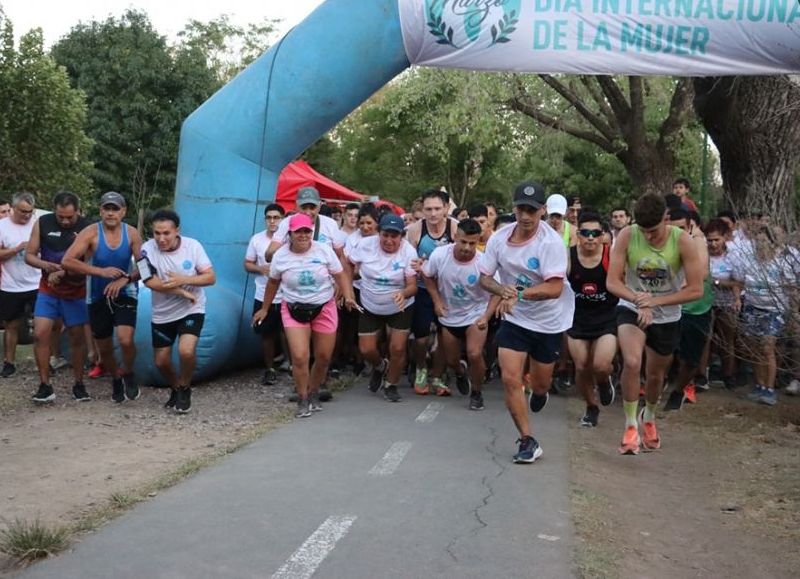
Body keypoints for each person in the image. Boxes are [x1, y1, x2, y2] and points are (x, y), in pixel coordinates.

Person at [479, 181, 575, 464]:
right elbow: (485, 278)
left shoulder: (551, 243)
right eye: (521, 208)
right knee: (510, 378)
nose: (525, 216)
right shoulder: (499, 238)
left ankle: (540, 390)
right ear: (514, 207)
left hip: (548, 322)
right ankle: (527, 440)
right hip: (516, 320)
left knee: (541, 384)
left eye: (532, 210)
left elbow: (554, 288)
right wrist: (502, 291)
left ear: (543, 211)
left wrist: (518, 294)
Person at [607, 193, 704, 455]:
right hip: (631, 305)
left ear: (666, 218)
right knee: (632, 361)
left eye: (653, 230)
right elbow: (612, 282)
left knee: (655, 375)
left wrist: (656, 302)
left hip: (667, 314)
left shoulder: (682, 241)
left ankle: (648, 416)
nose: (648, 236)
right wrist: (639, 300)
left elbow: (696, 290)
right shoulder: (628, 235)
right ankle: (629, 426)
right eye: (644, 230)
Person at [254, 213, 357, 417]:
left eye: (307, 231)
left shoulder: (324, 251)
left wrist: (347, 295)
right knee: (300, 357)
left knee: (323, 356)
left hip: (323, 307)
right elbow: (273, 283)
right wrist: (265, 308)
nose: (303, 235)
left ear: (312, 232)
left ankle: (314, 391)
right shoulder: (281, 256)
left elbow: (340, 274)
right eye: (298, 232)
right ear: (289, 234)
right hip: (293, 308)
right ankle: (302, 398)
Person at [62, 191, 142, 403]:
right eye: (106, 208)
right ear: (100, 211)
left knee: (125, 339)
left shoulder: (132, 233)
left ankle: (129, 372)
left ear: (123, 212)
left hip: (125, 291)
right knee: (104, 346)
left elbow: (146, 266)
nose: (110, 213)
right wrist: (101, 272)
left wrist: (125, 279)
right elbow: (67, 261)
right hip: (97, 293)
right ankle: (116, 378)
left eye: (115, 209)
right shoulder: (90, 233)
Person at [139, 210, 216, 413]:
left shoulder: (193, 246)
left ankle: (185, 386)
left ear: (177, 231)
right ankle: (175, 386)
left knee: (186, 350)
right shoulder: (145, 249)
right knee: (161, 361)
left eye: (166, 233)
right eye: (157, 233)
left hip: (192, 308)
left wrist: (185, 280)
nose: (161, 238)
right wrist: (179, 291)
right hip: (162, 313)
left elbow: (210, 277)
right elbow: (149, 281)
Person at [422, 218, 498, 410]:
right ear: (455, 236)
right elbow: (427, 275)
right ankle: (460, 372)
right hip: (449, 315)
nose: (467, 247)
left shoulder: (484, 262)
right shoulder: (440, 255)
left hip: (476, 313)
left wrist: (486, 316)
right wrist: (437, 301)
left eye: (472, 243)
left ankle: (477, 393)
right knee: (451, 360)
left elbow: (498, 291)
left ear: (478, 241)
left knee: (474, 353)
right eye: (463, 242)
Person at [25, 192, 91, 403]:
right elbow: (29, 255)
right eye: (60, 216)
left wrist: (62, 271)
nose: (64, 221)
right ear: (54, 209)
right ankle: (45, 385)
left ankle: (79, 384)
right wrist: (46, 266)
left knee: (77, 337)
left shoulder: (87, 228)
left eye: (69, 217)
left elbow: (90, 264)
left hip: (76, 291)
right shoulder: (42, 223)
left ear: (78, 212)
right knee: (39, 333)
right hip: (48, 290)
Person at [349, 214, 418, 403]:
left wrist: (403, 294)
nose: (389, 240)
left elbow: (413, 285)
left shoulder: (409, 252)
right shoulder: (365, 245)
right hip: (370, 303)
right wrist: (346, 290)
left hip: (399, 306)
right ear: (378, 233)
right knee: (366, 350)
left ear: (402, 236)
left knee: (397, 348)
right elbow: (348, 264)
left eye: (394, 236)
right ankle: (380, 366)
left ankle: (391, 385)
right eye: (385, 235)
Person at [732, 226, 798, 406]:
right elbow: (738, 282)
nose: (761, 245)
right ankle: (760, 385)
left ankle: (770, 389)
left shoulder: (782, 262)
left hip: (774, 310)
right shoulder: (747, 261)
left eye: (764, 241)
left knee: (767, 346)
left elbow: (791, 288)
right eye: (757, 241)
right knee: (754, 349)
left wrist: (793, 311)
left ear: (772, 242)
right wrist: (738, 299)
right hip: (753, 308)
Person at [567, 210, 618, 427]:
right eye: (585, 232)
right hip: (576, 319)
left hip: (606, 318)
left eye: (595, 233)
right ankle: (591, 406)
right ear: (578, 234)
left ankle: (604, 382)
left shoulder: (611, 256)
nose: (590, 237)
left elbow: (626, 282)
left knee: (600, 365)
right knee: (581, 366)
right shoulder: (567, 256)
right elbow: (552, 280)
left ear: (603, 235)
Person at [405, 189, 459, 394]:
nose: (433, 214)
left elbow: (464, 255)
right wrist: (418, 265)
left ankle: (437, 375)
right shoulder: (415, 230)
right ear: (422, 210)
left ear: (446, 208)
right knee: (420, 337)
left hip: (448, 290)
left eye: (438, 208)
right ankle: (420, 368)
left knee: (446, 336)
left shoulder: (455, 228)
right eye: (428, 209)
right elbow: (409, 260)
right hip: (422, 289)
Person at [662, 208, 713, 410]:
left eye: (682, 228)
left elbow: (701, 272)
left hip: (696, 308)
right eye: (673, 229)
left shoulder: (698, 242)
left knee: (690, 359)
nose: (678, 234)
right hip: (669, 307)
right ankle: (654, 389)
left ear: (691, 226)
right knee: (662, 352)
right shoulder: (661, 242)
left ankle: (678, 392)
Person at [244, 203, 286, 386]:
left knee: (288, 332)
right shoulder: (257, 239)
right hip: (263, 293)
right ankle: (269, 369)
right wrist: (260, 268)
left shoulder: (289, 239)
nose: (272, 221)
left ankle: (292, 365)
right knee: (266, 334)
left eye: (276, 217)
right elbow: (247, 264)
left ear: (283, 219)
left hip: (287, 294)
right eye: (269, 217)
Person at [0, 192, 39, 378]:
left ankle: (46, 361)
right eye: (23, 211)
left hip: (38, 282)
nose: (26, 215)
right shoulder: (2, 226)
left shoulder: (37, 224)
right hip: (11, 284)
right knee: (12, 325)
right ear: (14, 208)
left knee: (43, 325)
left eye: (30, 212)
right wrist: (16, 249)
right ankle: (9, 362)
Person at [704, 219, 739, 390]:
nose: (713, 244)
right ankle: (703, 375)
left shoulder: (733, 256)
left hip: (726, 303)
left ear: (724, 238)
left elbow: (738, 282)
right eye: (709, 240)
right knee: (706, 340)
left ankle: (728, 375)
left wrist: (717, 281)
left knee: (727, 341)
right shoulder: (701, 254)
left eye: (716, 240)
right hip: (705, 302)